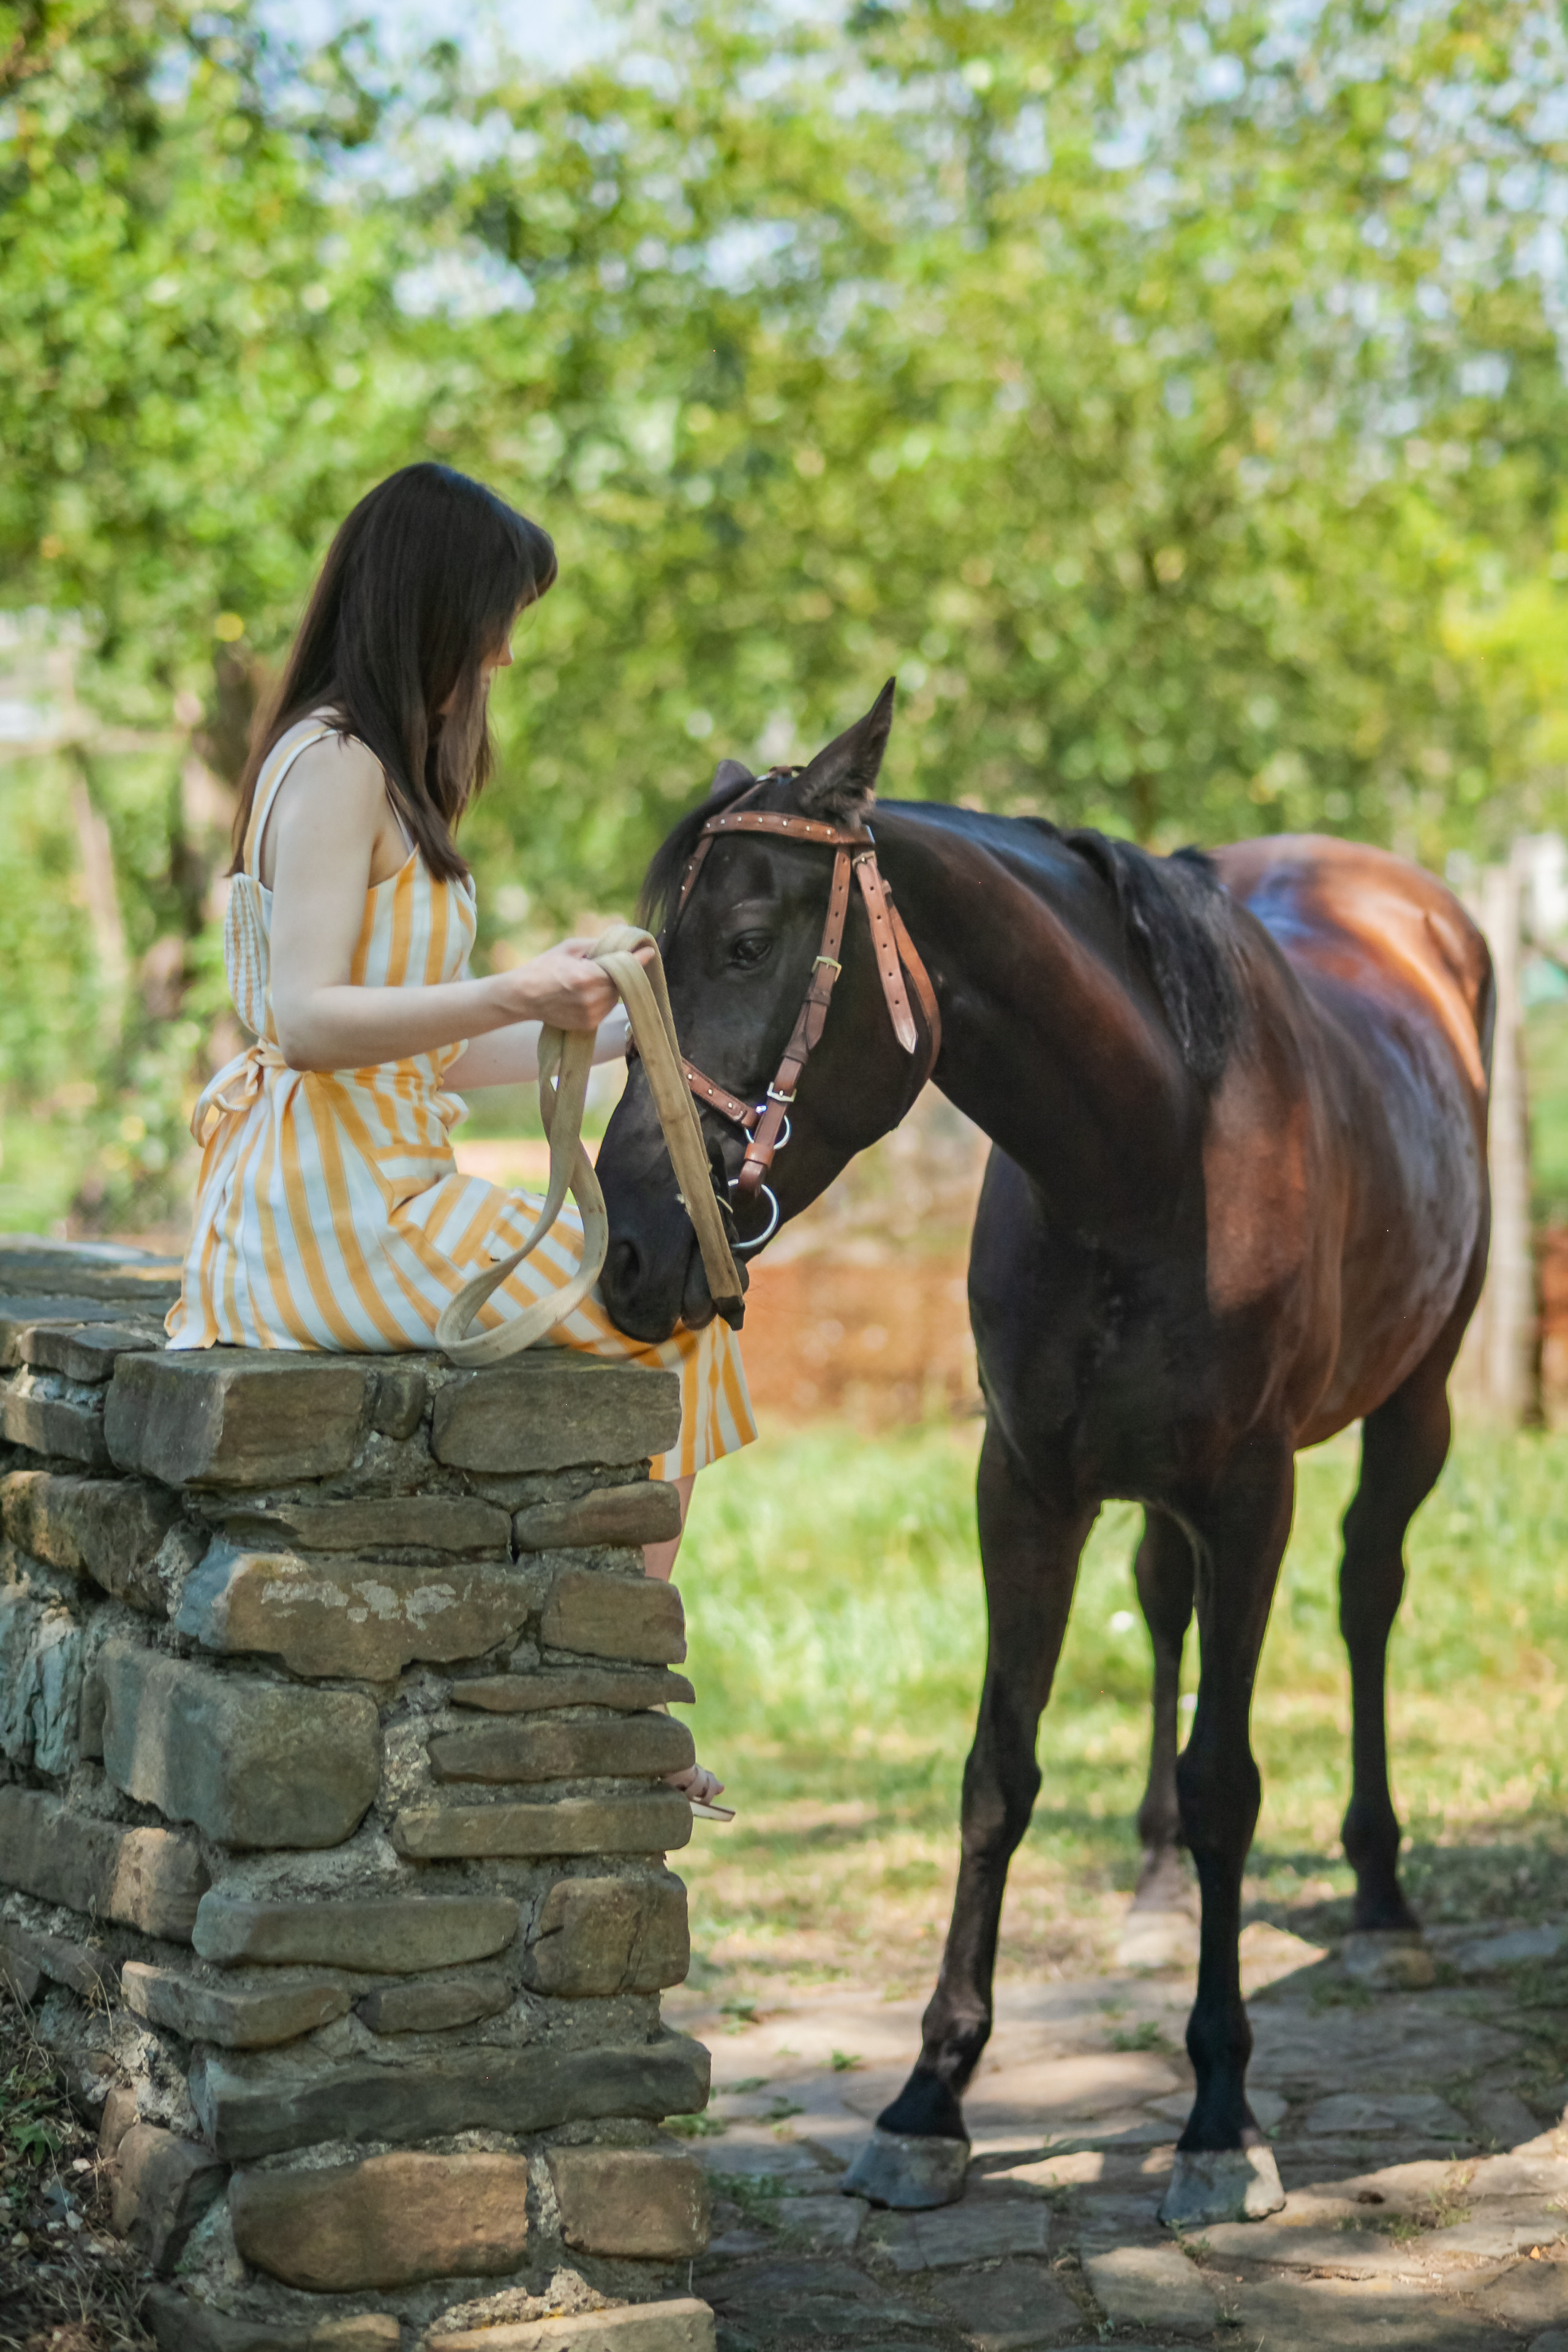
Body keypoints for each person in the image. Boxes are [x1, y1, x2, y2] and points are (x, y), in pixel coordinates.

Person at [166, 461, 753, 1808]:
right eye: (494, 618)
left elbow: (419, 1045)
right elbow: (309, 1021)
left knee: (692, 1304)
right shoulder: (334, 769)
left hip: (383, 1184)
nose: (500, 651)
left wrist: (603, 1025)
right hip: (325, 1214)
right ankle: (625, 1702)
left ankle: (622, 1681)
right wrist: (513, 987)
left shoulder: (375, 771)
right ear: (428, 605)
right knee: (666, 1315)